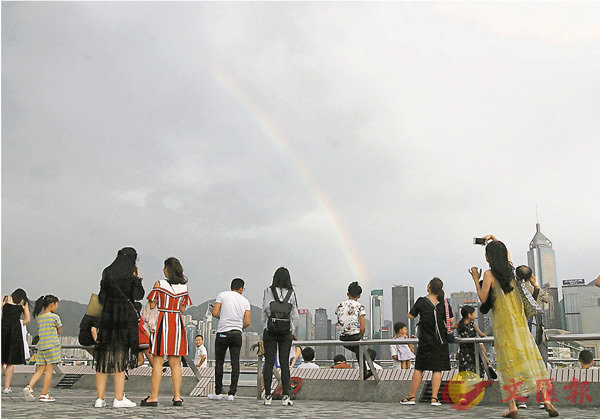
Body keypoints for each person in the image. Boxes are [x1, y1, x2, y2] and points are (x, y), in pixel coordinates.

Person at [471, 235, 559, 418]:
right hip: (520, 324)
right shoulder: (512, 271)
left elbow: (483, 298)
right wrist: (494, 238)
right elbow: (507, 253)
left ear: (488, 258)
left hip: (503, 326)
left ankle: (513, 406)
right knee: (531, 359)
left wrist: (475, 278)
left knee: (507, 365)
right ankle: (547, 400)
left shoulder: (489, 275)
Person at [94, 247, 144, 408]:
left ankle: (100, 399)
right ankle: (118, 398)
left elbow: (101, 296)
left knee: (103, 359)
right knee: (120, 358)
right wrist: (138, 279)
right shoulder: (131, 275)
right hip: (124, 320)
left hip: (108, 318)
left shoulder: (107, 272)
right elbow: (138, 296)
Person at [141, 257, 192, 407]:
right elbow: (183, 309)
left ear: (166, 270)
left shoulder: (159, 284)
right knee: (176, 363)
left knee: (157, 361)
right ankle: (177, 397)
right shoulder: (184, 288)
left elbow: (151, 304)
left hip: (163, 321)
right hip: (177, 322)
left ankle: (154, 397)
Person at [401, 278, 453, 406]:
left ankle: (411, 397)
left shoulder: (421, 301)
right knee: (437, 370)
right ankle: (434, 399)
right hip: (440, 341)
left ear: (429, 287)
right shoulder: (444, 303)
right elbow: (450, 320)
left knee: (419, 368)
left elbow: (410, 316)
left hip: (425, 340)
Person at [208, 278, 251, 401]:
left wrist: (223, 317)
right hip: (237, 334)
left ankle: (218, 393)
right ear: (241, 288)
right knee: (235, 363)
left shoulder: (222, 295)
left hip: (222, 333)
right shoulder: (245, 301)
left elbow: (215, 313)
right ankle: (232, 393)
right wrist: (238, 327)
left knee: (219, 362)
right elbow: (247, 322)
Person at [262, 267, 299, 407]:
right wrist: (290, 329)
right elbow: (295, 315)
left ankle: (267, 396)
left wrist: (266, 326)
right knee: (284, 363)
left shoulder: (268, 291)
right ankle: (286, 396)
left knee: (269, 363)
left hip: (270, 330)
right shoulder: (292, 293)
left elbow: (265, 310)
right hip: (286, 332)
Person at [515, 265, 549, 410]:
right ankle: (543, 399)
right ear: (531, 276)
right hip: (538, 335)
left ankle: (522, 400)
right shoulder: (537, 291)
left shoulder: (515, 292)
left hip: (522, 335)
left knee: (522, 368)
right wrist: (535, 285)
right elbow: (547, 298)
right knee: (541, 368)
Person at [22, 295, 61, 402]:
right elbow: (59, 330)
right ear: (52, 304)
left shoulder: (40, 317)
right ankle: (44, 394)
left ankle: (29, 386)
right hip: (51, 346)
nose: (57, 307)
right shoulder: (55, 317)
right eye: (56, 305)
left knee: (40, 369)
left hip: (41, 346)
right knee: (49, 370)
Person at [335, 281, 370, 379]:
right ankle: (364, 372)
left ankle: (364, 371)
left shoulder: (339, 305)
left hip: (343, 338)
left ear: (347, 294)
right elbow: (362, 327)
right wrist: (361, 336)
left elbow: (340, 320)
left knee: (358, 349)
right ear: (359, 296)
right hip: (354, 336)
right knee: (360, 347)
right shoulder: (360, 306)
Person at [2, 289, 31, 394]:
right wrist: (18, 324)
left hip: (3, 329)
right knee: (10, 362)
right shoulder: (23, 303)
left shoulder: (5, 298)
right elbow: (27, 320)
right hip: (15, 332)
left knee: (1, 360)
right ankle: (6, 387)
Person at [456, 306, 489, 378]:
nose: (475, 315)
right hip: (473, 352)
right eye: (474, 313)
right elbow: (481, 334)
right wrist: (487, 335)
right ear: (469, 315)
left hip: (463, 353)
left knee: (465, 373)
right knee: (476, 371)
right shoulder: (472, 324)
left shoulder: (459, 324)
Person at [134, 302, 153, 367]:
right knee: (152, 361)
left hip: (136, 342)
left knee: (140, 361)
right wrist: (151, 338)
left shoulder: (131, 318)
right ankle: (160, 371)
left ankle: (126, 368)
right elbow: (143, 329)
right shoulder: (139, 318)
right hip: (144, 342)